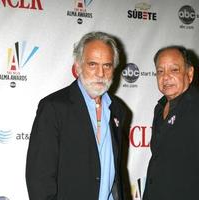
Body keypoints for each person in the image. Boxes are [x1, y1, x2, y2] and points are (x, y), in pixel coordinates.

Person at [26, 31, 127, 200]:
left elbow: (116, 175)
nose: (100, 73)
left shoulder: (118, 109)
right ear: (78, 66)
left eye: (107, 65)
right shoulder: (54, 107)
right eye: (93, 64)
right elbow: (39, 179)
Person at [142, 46, 199, 199]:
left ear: (189, 74)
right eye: (160, 71)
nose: (166, 77)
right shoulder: (160, 108)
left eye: (174, 70)